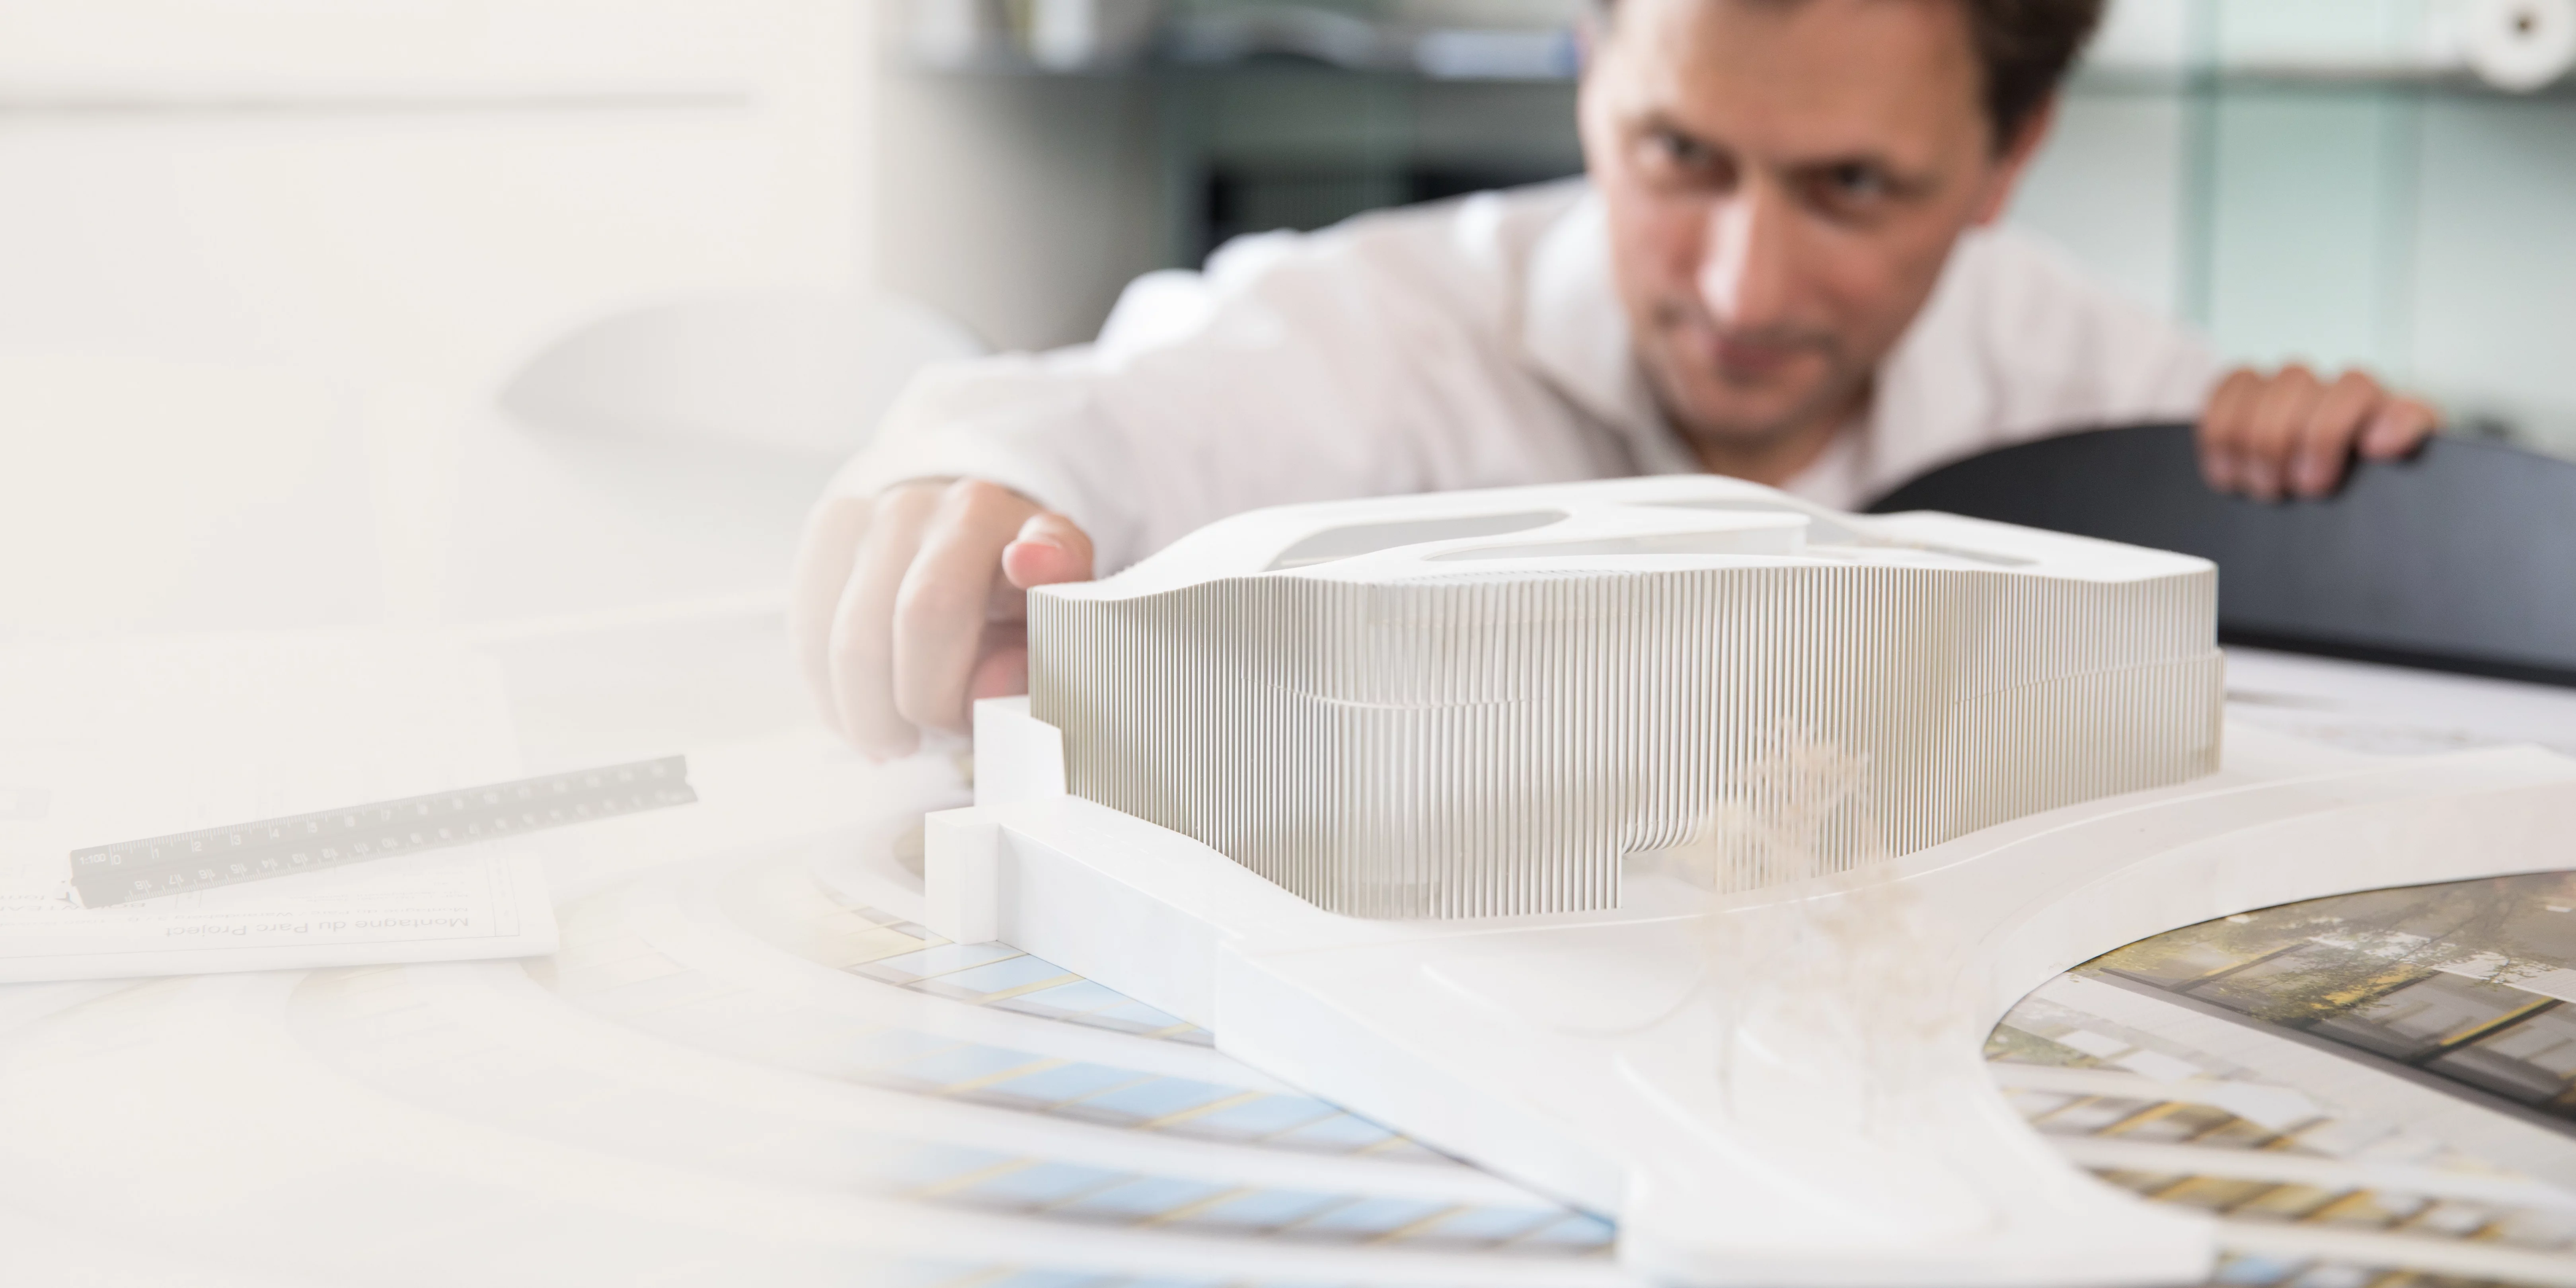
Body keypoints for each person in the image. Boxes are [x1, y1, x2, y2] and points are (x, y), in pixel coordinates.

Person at [793, 0, 2440, 761]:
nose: (1738, 285)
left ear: (2007, 156)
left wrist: (2336, 462)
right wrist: (969, 485)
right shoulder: (1396, 325)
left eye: (1852, 188)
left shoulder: (2092, 379)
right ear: (1593, 75)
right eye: (1677, 155)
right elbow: (1095, 415)